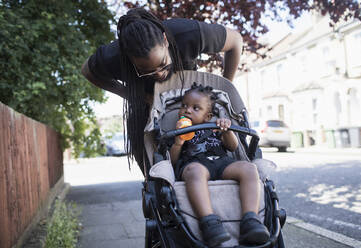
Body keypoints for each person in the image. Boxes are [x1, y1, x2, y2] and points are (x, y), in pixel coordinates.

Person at [81, 7, 243, 171]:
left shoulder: (188, 34)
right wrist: (133, 96)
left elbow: (235, 41)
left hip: (188, 98)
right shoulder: (113, 57)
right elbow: (87, 71)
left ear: (165, 41)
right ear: (130, 60)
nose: (159, 74)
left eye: (163, 63)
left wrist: (225, 85)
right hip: (146, 107)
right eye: (146, 71)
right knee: (153, 169)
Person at [170, 83, 270, 247]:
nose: (187, 110)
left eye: (196, 108)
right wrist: (178, 144)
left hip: (221, 162)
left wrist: (227, 131)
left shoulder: (215, 126)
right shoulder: (178, 132)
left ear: (207, 117)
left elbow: (232, 147)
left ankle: (251, 219)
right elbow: (173, 161)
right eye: (184, 106)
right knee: (194, 171)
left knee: (249, 168)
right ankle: (209, 223)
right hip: (195, 164)